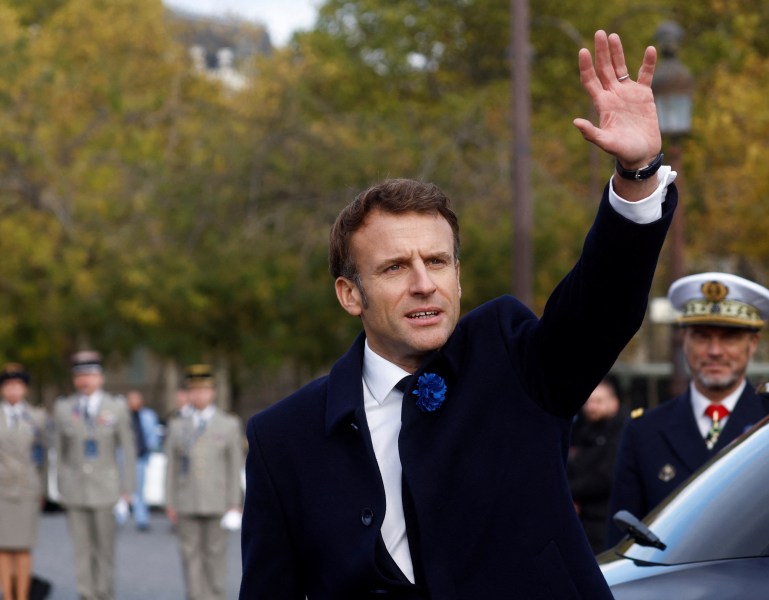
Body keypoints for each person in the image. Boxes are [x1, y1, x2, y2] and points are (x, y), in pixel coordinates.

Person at [239, 29, 677, 599]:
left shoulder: (511, 357)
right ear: (350, 294)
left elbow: (600, 309)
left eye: (438, 261)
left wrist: (636, 176)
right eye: (396, 268)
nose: (425, 284)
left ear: (458, 274)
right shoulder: (283, 438)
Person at [606, 272, 769, 547]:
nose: (715, 351)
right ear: (683, 341)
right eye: (701, 336)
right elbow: (620, 543)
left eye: (729, 337)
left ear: (753, 344)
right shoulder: (644, 432)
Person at [53, 350, 135, 600]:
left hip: (106, 490)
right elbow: (59, 451)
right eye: (80, 375)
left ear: (100, 377)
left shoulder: (116, 407)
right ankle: (86, 594)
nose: (85, 380)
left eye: (90, 374)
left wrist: (128, 488)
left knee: (105, 550)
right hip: (76, 489)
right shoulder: (64, 408)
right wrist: (61, 485)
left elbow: (128, 449)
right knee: (81, 550)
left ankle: (104, 594)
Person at [165, 364, 244, 600]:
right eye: (194, 390)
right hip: (186, 499)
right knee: (190, 557)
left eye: (204, 390)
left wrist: (234, 502)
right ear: (188, 393)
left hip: (217, 501)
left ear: (213, 393)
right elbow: (171, 467)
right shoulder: (177, 425)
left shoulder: (228, 424)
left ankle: (215, 596)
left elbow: (234, 466)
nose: (199, 395)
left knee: (215, 557)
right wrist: (170, 502)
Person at [0, 363, 47, 600]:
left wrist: (44, 488)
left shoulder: (37, 417)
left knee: (25, 547)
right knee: (3, 548)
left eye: (18, 386)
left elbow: (44, 456)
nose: (13, 391)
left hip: (27, 488)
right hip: (1, 488)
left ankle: (23, 596)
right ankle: (7, 595)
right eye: (8, 386)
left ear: (25, 389)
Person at [567, 378, 624, 554]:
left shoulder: (622, 431)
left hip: (605, 521)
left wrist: (568, 491)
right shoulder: (581, 428)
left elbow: (605, 476)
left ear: (614, 403)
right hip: (583, 520)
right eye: (589, 401)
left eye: (598, 401)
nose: (591, 407)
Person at [126, 389, 160, 531]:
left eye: (136, 399)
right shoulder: (122, 416)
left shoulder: (147, 416)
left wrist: (148, 449)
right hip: (124, 459)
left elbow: (153, 436)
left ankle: (141, 518)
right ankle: (118, 517)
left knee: (139, 490)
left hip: (140, 457)